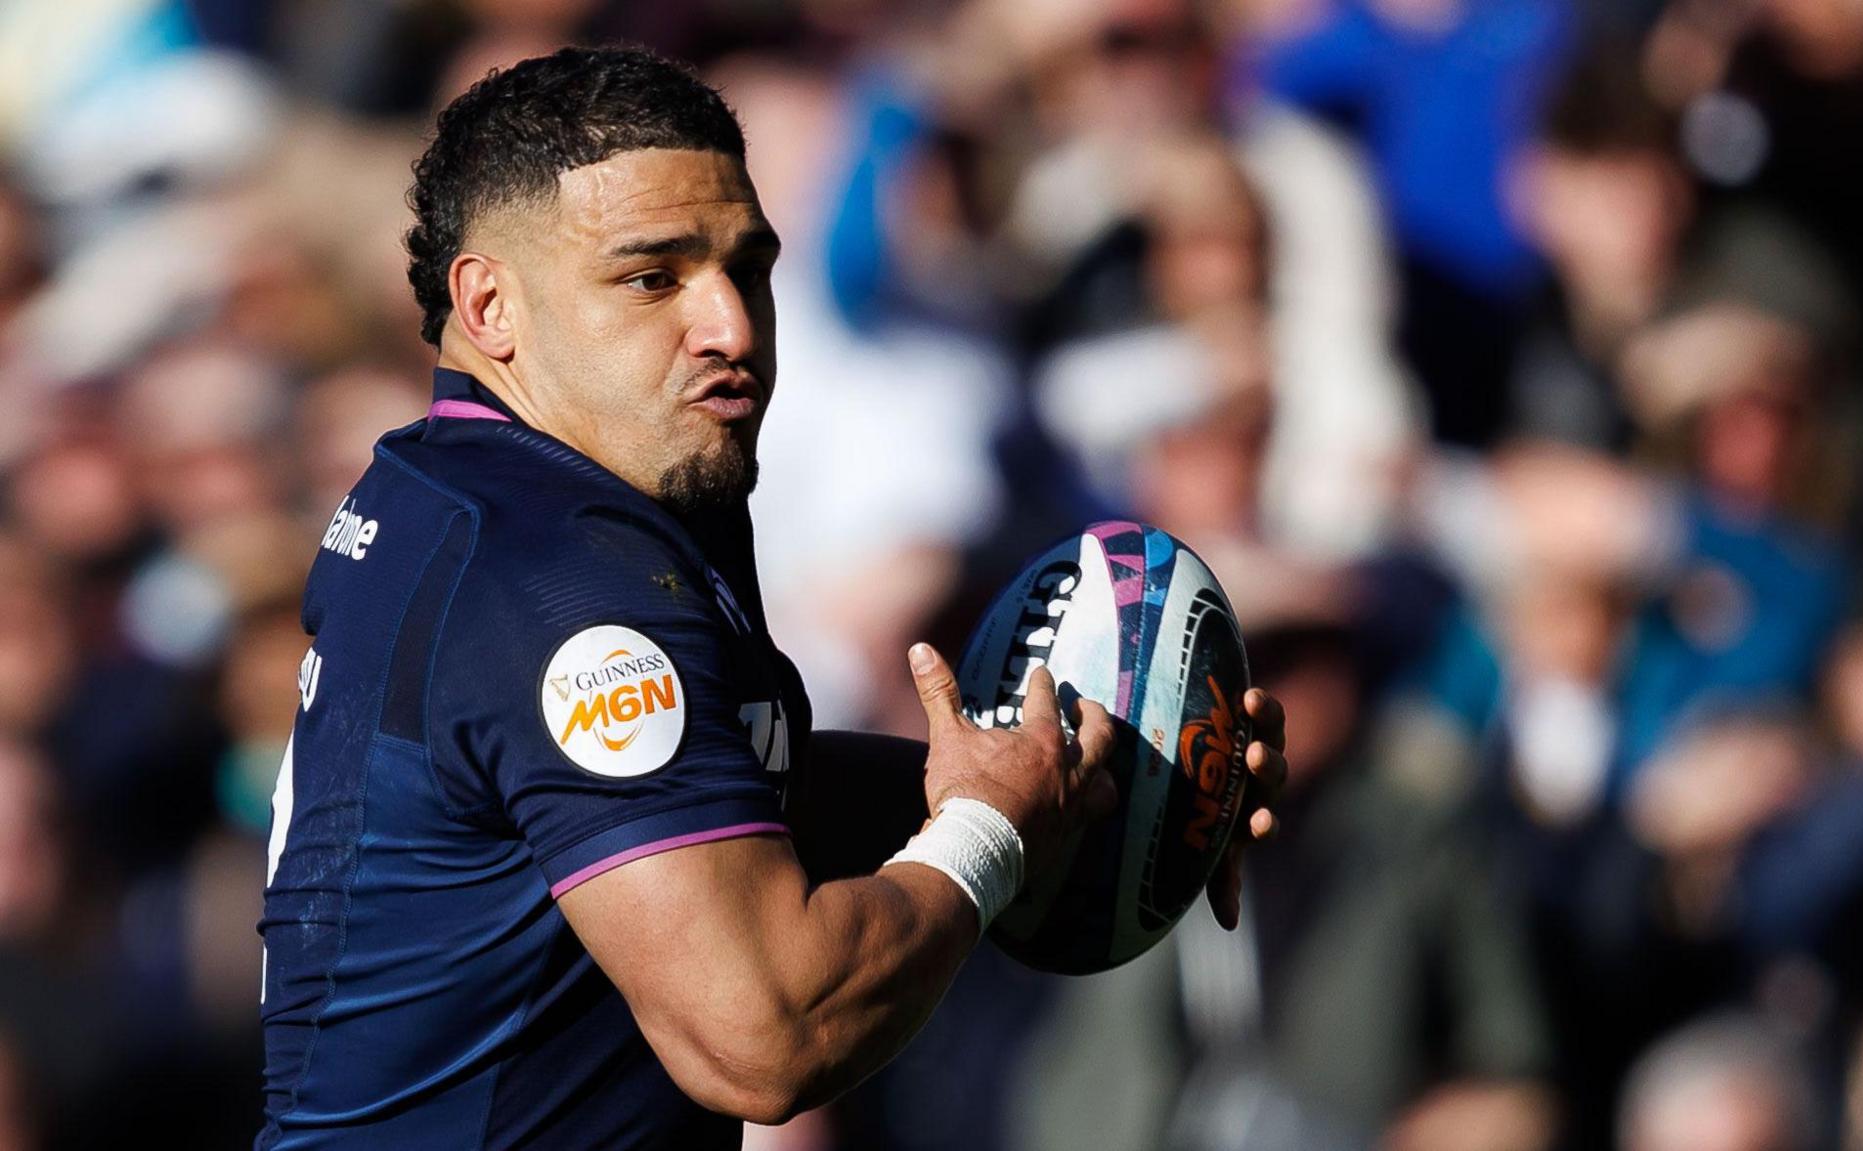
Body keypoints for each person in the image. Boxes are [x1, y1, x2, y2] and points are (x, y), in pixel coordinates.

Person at [253, 46, 1287, 1149]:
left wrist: (1080, 780)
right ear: (490, 303)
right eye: (652, 277)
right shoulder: (560, 573)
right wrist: (988, 826)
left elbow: (702, 808)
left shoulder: (476, 484)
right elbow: (763, 1035)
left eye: (746, 271)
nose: (732, 327)